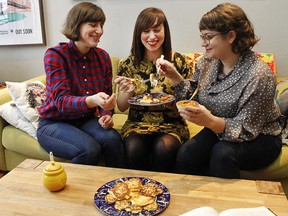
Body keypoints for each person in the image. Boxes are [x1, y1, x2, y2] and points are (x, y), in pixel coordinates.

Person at [157, 3, 286, 178]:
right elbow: (192, 95)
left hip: (260, 136)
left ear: (231, 36)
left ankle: (224, 204)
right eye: (202, 37)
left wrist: (209, 121)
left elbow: (247, 130)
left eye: (208, 37)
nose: (203, 43)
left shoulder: (259, 75)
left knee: (222, 154)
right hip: (220, 129)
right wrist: (173, 75)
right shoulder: (208, 62)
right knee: (186, 154)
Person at [37, 2, 126, 168]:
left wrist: (106, 114)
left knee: (113, 140)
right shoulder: (55, 55)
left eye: (101, 25)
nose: (99, 30)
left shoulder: (103, 57)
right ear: (76, 25)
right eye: (93, 25)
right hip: (53, 123)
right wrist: (92, 101)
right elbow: (61, 102)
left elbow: (106, 96)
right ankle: (77, 193)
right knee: (89, 149)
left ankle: (120, 189)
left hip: (85, 120)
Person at [114, 7, 192, 172]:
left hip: (172, 124)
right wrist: (128, 90)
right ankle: (139, 191)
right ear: (138, 34)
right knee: (135, 149)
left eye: (157, 30)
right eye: (146, 31)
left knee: (163, 148)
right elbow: (121, 107)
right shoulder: (127, 64)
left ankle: (161, 190)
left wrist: (174, 76)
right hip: (137, 123)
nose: (152, 36)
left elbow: (189, 101)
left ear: (165, 31)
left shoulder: (178, 61)